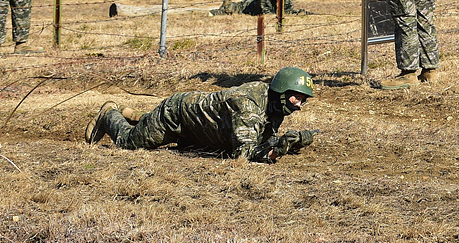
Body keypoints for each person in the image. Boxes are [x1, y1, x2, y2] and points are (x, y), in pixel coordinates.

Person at [85, 67, 317, 163]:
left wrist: (291, 142)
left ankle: (137, 117)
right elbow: (242, 155)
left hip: (200, 130)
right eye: (297, 98)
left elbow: (259, 139)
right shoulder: (248, 105)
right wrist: (278, 149)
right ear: (281, 91)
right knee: (129, 143)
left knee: (146, 131)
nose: (299, 105)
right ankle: (110, 115)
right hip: (176, 117)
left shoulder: (274, 104)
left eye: (303, 100)